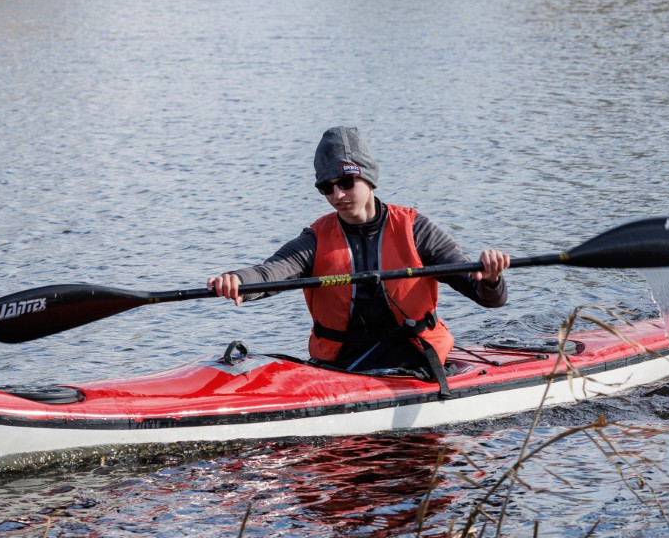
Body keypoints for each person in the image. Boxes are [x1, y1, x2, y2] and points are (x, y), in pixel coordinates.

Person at [208, 126, 510, 387]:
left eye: (346, 183)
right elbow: (271, 272)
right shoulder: (315, 238)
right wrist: (237, 280)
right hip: (341, 364)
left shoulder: (415, 229)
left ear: (369, 179)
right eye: (326, 188)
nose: (337, 195)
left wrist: (492, 279)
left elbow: (488, 297)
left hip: (416, 358)